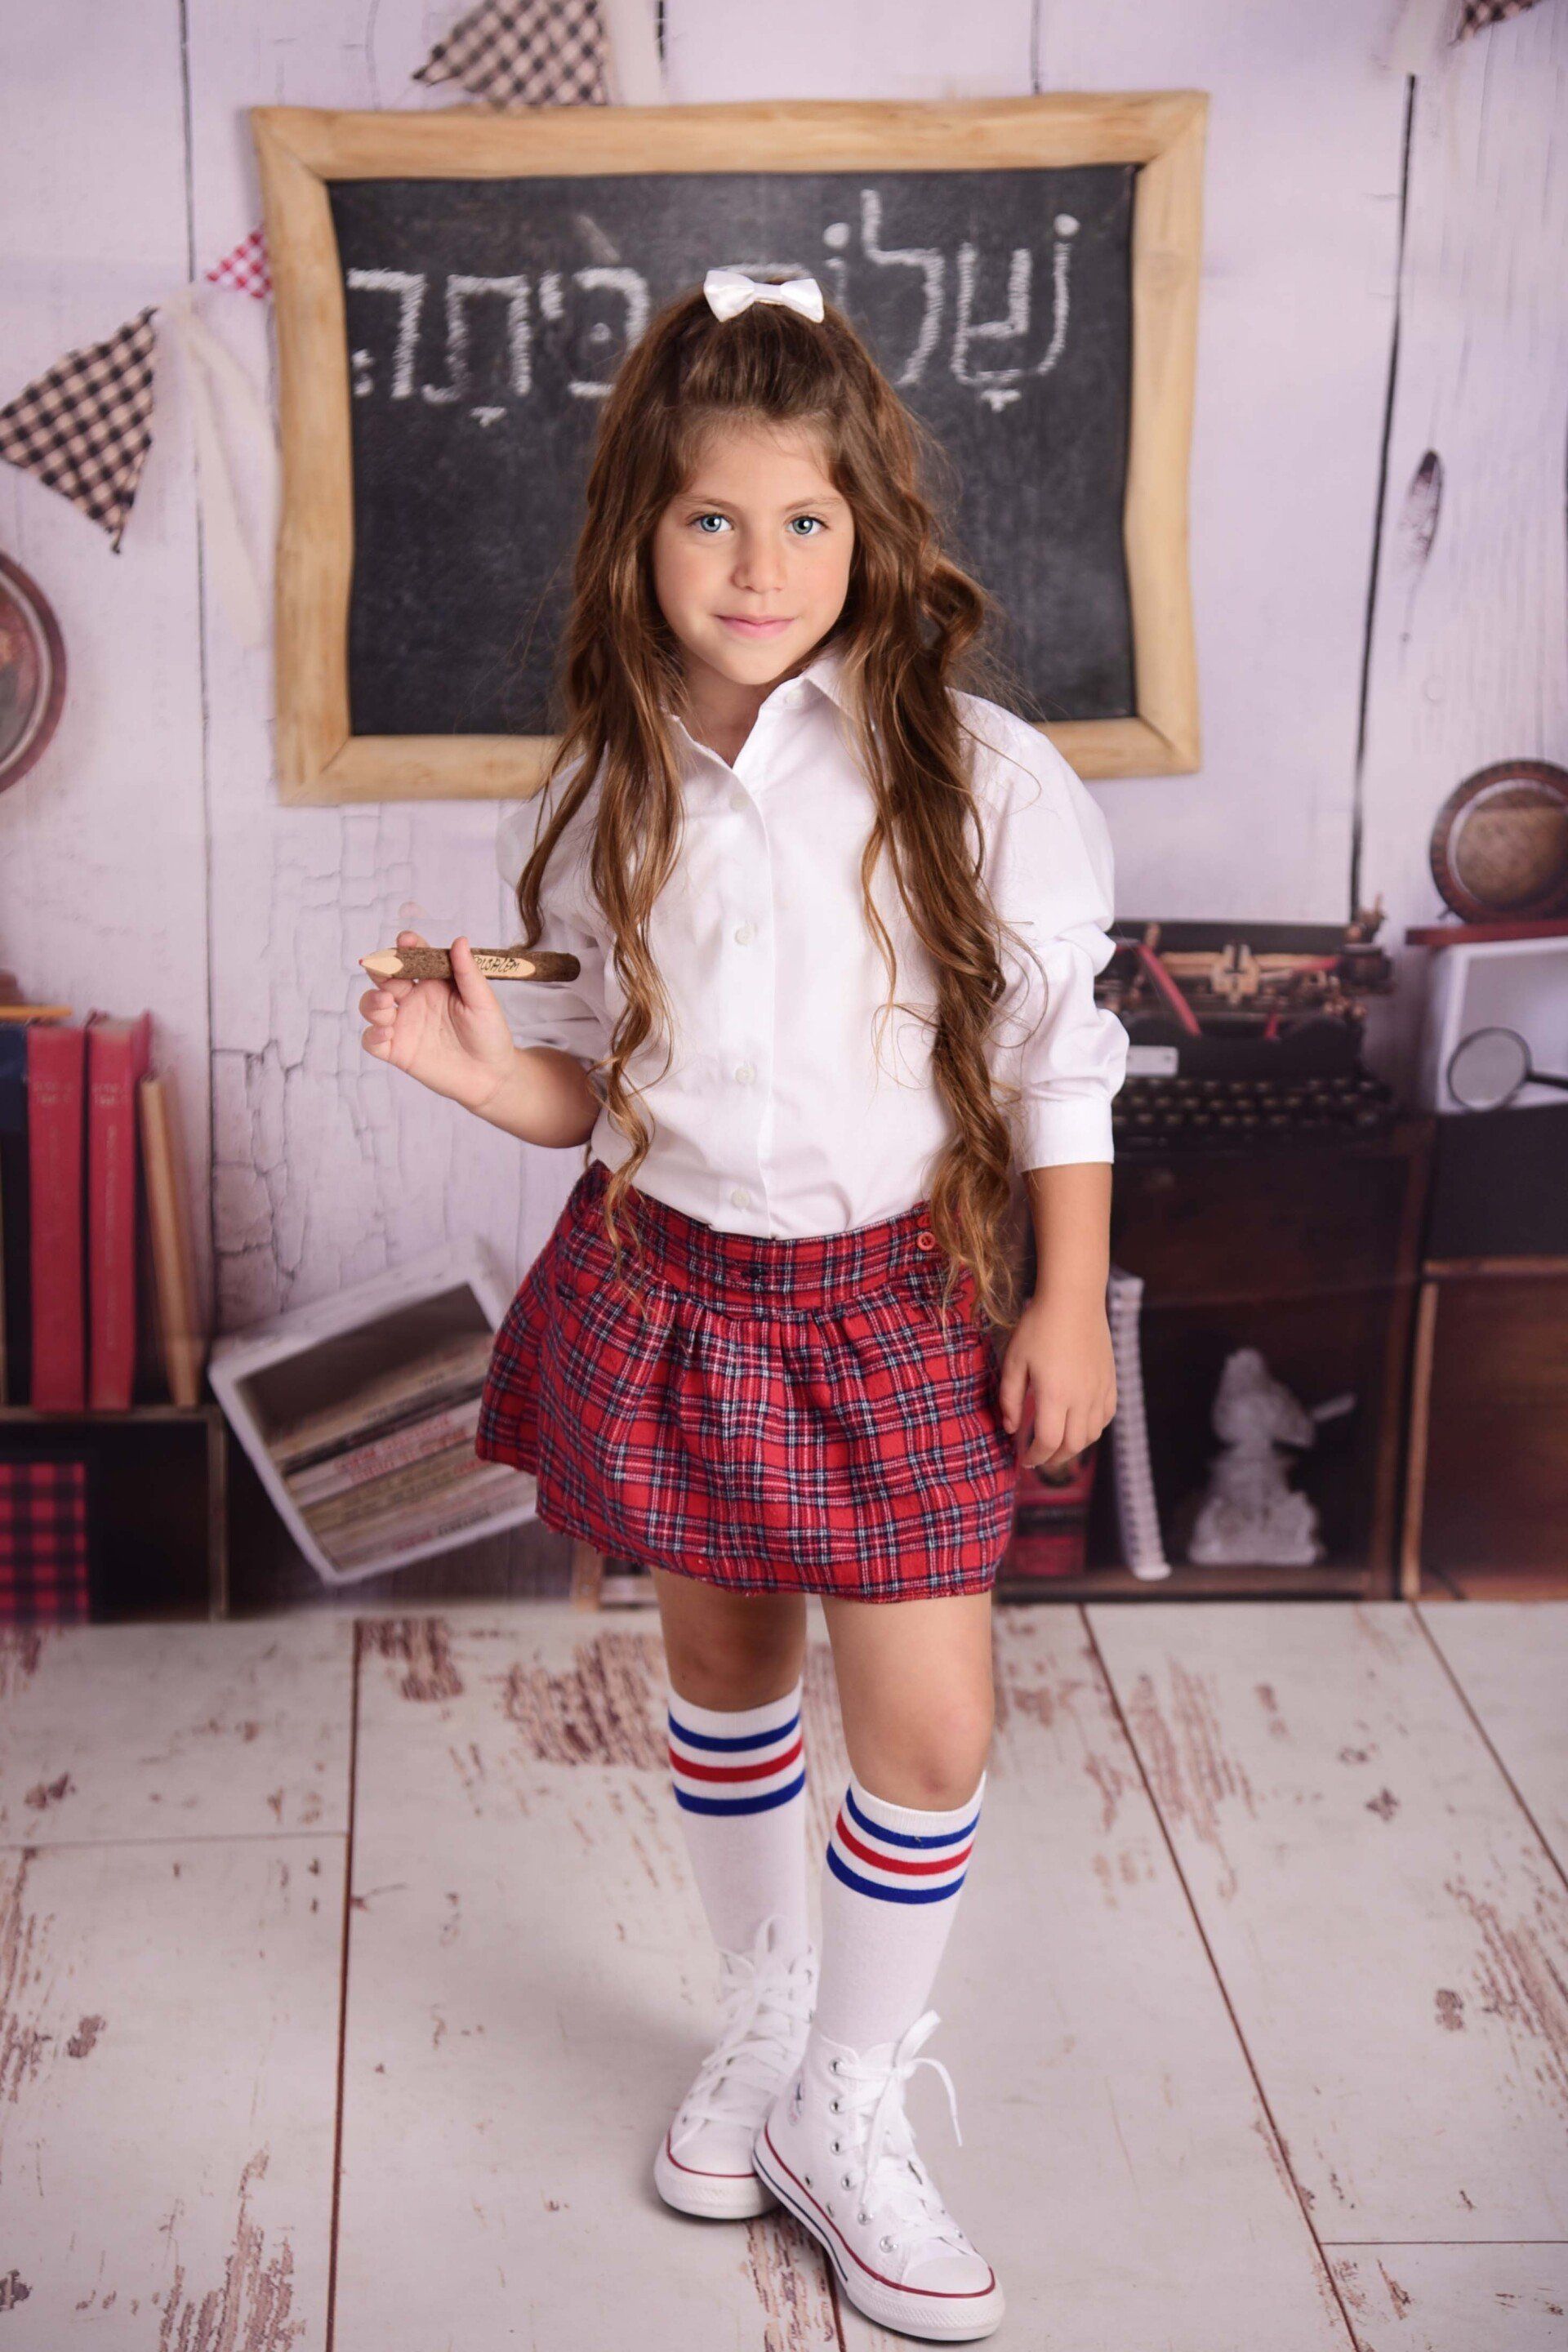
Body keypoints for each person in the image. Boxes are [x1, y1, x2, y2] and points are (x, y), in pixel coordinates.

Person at [356, 264, 1128, 2343]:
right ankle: (772, 2026)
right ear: (642, 529)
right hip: (672, 1284)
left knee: (932, 1730)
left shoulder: (976, 774)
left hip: (890, 1304)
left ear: (871, 530)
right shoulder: (599, 789)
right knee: (722, 1665)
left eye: (805, 518)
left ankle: (849, 2101)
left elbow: (1058, 1061)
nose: (760, 566)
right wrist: (468, 1072)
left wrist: (1068, 1299)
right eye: (713, 517)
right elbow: (595, 1089)